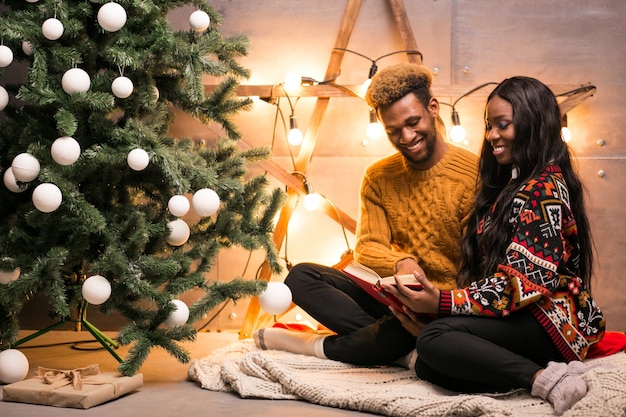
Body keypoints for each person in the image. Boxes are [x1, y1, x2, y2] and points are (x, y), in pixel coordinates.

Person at [382, 76, 606, 415]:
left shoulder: (543, 188)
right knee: (431, 365)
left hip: (548, 321)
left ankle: (548, 379)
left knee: (434, 339)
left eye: (503, 125)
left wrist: (443, 301)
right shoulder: (514, 184)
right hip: (518, 316)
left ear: (532, 124)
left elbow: (522, 283)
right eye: (489, 126)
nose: (492, 136)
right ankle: (519, 368)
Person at [252, 63, 479, 367]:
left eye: (413, 122)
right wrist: (401, 262)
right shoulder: (378, 176)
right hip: (394, 301)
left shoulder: (474, 173)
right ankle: (403, 350)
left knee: (431, 333)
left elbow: (479, 263)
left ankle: (314, 346)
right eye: (393, 131)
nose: (407, 137)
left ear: (433, 108)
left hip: (445, 305)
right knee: (301, 277)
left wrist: (438, 302)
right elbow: (367, 247)